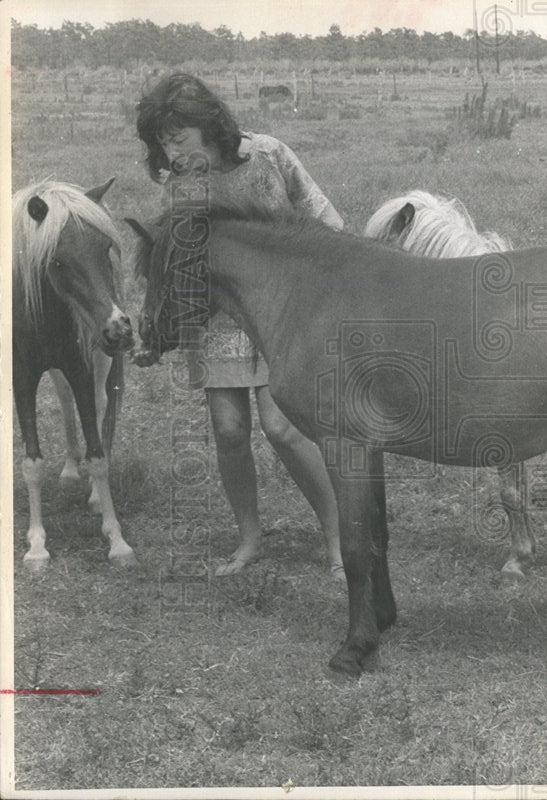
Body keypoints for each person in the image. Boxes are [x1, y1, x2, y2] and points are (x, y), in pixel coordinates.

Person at [136, 72, 345, 579]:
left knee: (283, 429)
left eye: (178, 137)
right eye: (163, 143)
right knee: (229, 431)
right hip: (219, 323)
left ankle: (340, 538)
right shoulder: (180, 185)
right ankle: (250, 539)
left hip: (285, 316)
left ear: (208, 125)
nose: (172, 151)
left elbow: (326, 221)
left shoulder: (269, 155)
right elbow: (174, 260)